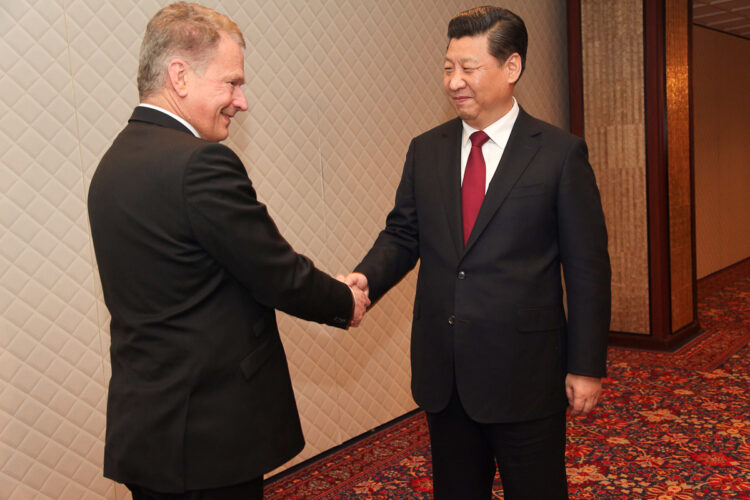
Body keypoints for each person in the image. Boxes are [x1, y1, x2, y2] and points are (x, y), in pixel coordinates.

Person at [87, 3, 369, 499]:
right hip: (209, 439)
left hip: (150, 434)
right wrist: (344, 300)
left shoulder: (112, 163)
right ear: (179, 76)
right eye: (232, 83)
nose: (242, 101)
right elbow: (275, 271)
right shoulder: (201, 164)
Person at [344, 6, 610, 500]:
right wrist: (366, 279)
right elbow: (403, 234)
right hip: (445, 371)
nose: (454, 81)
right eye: (448, 67)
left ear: (511, 68)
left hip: (525, 371)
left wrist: (586, 363)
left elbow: (588, 266)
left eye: (469, 68)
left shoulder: (559, 153)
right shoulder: (426, 149)